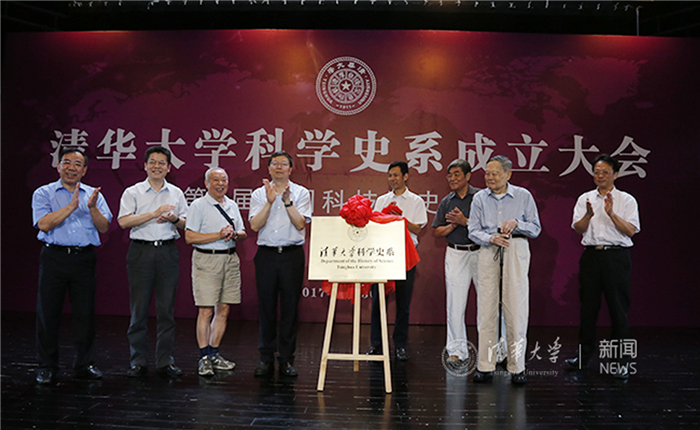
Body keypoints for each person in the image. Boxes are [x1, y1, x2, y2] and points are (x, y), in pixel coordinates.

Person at [32, 147, 112, 384]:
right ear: (58, 166)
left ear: (84, 170)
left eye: (78, 164)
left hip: (83, 259)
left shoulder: (93, 195)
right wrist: (70, 207)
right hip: (54, 257)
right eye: (67, 162)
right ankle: (46, 366)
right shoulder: (43, 193)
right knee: (48, 313)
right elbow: (43, 224)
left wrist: (92, 207)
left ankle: (84, 364)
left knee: (84, 314)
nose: (71, 168)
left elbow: (104, 227)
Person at [564, 154, 640, 380]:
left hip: (616, 257)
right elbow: (578, 229)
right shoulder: (585, 198)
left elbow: (631, 231)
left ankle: (621, 362)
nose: (600, 176)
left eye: (605, 172)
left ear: (615, 174)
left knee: (618, 310)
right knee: (588, 309)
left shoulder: (627, 200)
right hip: (591, 257)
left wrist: (611, 214)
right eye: (597, 172)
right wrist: (588, 215)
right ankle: (582, 356)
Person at [468, 155, 541, 385]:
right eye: (487, 173)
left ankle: (517, 367)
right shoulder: (479, 198)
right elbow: (472, 230)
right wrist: (490, 238)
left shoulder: (523, 196)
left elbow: (535, 228)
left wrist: (518, 223)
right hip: (489, 248)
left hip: (515, 247)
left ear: (508, 174)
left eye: (495, 173)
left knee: (516, 307)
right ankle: (485, 365)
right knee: (486, 308)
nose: (489, 177)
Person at [118, 146, 188, 379]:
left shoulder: (176, 193)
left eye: (162, 163)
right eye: (153, 162)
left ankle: (165, 361)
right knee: (138, 310)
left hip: (167, 252)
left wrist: (174, 219)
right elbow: (124, 222)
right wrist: (153, 213)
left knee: (166, 310)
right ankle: (138, 362)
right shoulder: (133, 192)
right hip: (141, 252)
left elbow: (186, 223)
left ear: (169, 167)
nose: (157, 166)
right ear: (145, 165)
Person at [249, 151, 312, 377]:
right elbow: (254, 226)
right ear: (268, 168)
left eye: (283, 164)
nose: (279, 167)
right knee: (266, 308)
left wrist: (287, 202)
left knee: (289, 309)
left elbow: (300, 224)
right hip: (266, 255)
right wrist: (269, 202)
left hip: (291, 256)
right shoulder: (258, 193)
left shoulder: (301, 192)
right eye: (274, 163)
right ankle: (265, 359)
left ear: (290, 169)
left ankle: (286, 359)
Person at [185, 167, 247, 377]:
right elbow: (190, 237)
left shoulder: (232, 204)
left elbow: (243, 232)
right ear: (206, 183)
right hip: (207, 259)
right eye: (216, 180)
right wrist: (218, 235)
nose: (220, 184)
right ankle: (203, 357)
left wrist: (235, 235)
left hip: (230, 259)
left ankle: (214, 354)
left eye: (224, 180)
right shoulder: (198, 205)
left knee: (224, 309)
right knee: (206, 310)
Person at [366, 160, 428, 361]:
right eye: (389, 175)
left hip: (405, 256)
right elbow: (373, 224)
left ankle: (400, 345)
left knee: (403, 303)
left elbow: (418, 228)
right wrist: (386, 215)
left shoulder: (416, 201)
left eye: (396, 175)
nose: (392, 179)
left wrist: (400, 219)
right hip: (383, 256)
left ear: (405, 176)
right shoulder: (381, 200)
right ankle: (376, 344)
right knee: (378, 301)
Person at [432, 159, 480, 364]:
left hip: (480, 252)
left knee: (487, 303)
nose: (452, 178)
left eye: (457, 174)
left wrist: (465, 221)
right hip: (455, 253)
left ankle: (493, 350)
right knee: (455, 303)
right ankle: (457, 351)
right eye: (449, 175)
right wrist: (452, 225)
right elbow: (436, 231)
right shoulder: (447, 201)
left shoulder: (480, 197)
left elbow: (489, 226)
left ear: (468, 176)